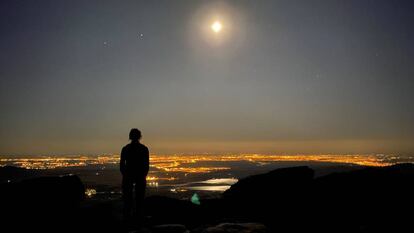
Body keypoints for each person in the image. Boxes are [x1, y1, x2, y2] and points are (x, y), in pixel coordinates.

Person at [120, 128, 149, 219]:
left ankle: (127, 217)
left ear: (130, 137)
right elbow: (146, 165)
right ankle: (139, 217)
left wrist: (125, 174)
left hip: (128, 175)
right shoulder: (144, 149)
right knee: (139, 198)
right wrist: (143, 175)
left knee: (127, 199)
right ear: (140, 137)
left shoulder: (125, 149)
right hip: (139, 175)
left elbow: (122, 164)